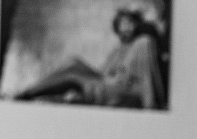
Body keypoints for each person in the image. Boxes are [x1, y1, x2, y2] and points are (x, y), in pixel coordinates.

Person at [14, 9, 167, 109]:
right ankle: (30, 89)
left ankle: (28, 94)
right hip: (105, 80)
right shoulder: (117, 50)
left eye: (131, 23)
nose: (129, 27)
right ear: (117, 27)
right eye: (124, 23)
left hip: (117, 87)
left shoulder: (141, 43)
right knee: (73, 61)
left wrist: (150, 105)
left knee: (72, 78)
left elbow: (147, 77)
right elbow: (103, 73)